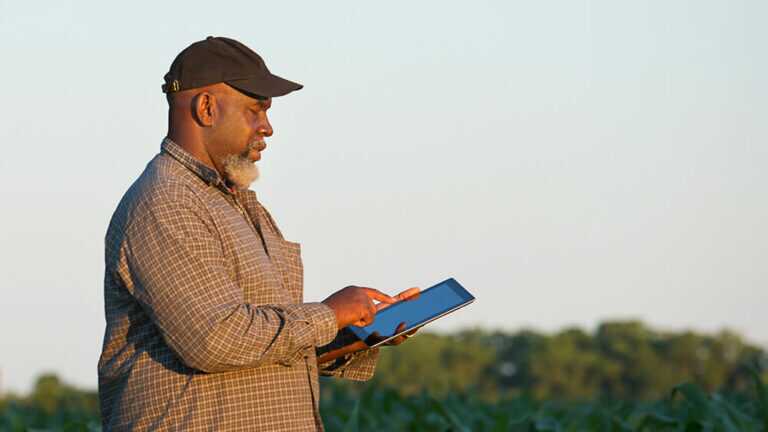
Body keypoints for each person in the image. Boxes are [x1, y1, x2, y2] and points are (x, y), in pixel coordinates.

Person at [97, 36, 418, 431]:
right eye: (255, 110)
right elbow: (215, 339)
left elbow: (265, 345)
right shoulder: (166, 202)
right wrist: (329, 314)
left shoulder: (235, 203)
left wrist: (359, 331)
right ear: (207, 107)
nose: (267, 127)